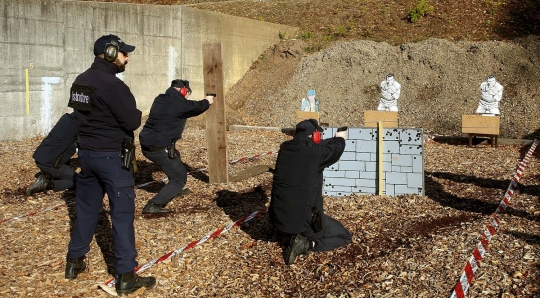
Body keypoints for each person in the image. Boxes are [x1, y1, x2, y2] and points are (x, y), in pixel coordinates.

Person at [64, 34, 155, 296]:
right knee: (122, 216)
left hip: (87, 157)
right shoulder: (114, 86)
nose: (127, 57)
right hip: (112, 159)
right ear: (112, 53)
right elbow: (132, 121)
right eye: (124, 53)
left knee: (87, 211)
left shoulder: (80, 81)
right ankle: (126, 277)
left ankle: (74, 262)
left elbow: (80, 116)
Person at [269, 119, 352, 265]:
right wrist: (340, 138)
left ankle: (290, 236)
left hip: (278, 220)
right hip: (304, 222)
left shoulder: (285, 148)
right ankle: (306, 244)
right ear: (314, 135)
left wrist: (330, 139)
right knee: (344, 236)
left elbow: (313, 147)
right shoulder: (316, 153)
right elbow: (335, 150)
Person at [139, 79, 214, 214]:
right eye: (187, 93)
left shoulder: (160, 98)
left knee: (176, 157)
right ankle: (154, 204)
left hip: (147, 143)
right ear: (183, 90)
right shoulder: (178, 103)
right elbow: (196, 107)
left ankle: (173, 191)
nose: (187, 96)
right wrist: (207, 101)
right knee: (179, 178)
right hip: (159, 148)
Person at [26, 112, 78, 196]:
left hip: (40, 156)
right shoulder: (80, 128)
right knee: (81, 181)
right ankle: (46, 184)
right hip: (49, 164)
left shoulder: (67, 118)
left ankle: (47, 175)